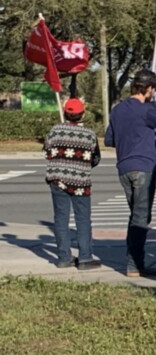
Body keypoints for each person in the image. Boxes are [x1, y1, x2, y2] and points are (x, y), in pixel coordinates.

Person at [104, 69, 156, 277]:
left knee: (136, 215)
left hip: (123, 167)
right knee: (141, 217)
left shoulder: (117, 110)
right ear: (149, 88)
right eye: (153, 90)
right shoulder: (147, 109)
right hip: (144, 166)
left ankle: (135, 260)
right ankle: (134, 265)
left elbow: (109, 140)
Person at [43, 97, 101, 270]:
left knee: (61, 218)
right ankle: (85, 258)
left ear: (66, 113)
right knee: (82, 219)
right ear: (82, 114)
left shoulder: (54, 130)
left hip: (57, 180)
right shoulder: (90, 135)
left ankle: (63, 258)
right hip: (81, 182)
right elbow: (95, 158)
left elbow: (47, 151)